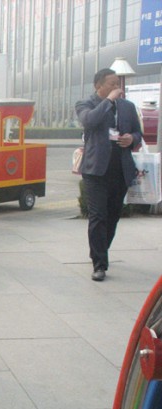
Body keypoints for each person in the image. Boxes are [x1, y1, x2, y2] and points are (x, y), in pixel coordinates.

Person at [75, 68, 142, 281]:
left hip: (120, 169)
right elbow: (89, 121)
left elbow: (138, 132)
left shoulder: (127, 107)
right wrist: (109, 101)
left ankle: (100, 251)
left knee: (113, 216)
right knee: (98, 216)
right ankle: (99, 264)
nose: (117, 88)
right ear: (98, 85)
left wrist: (132, 138)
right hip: (96, 171)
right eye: (112, 84)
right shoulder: (86, 104)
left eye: (117, 84)